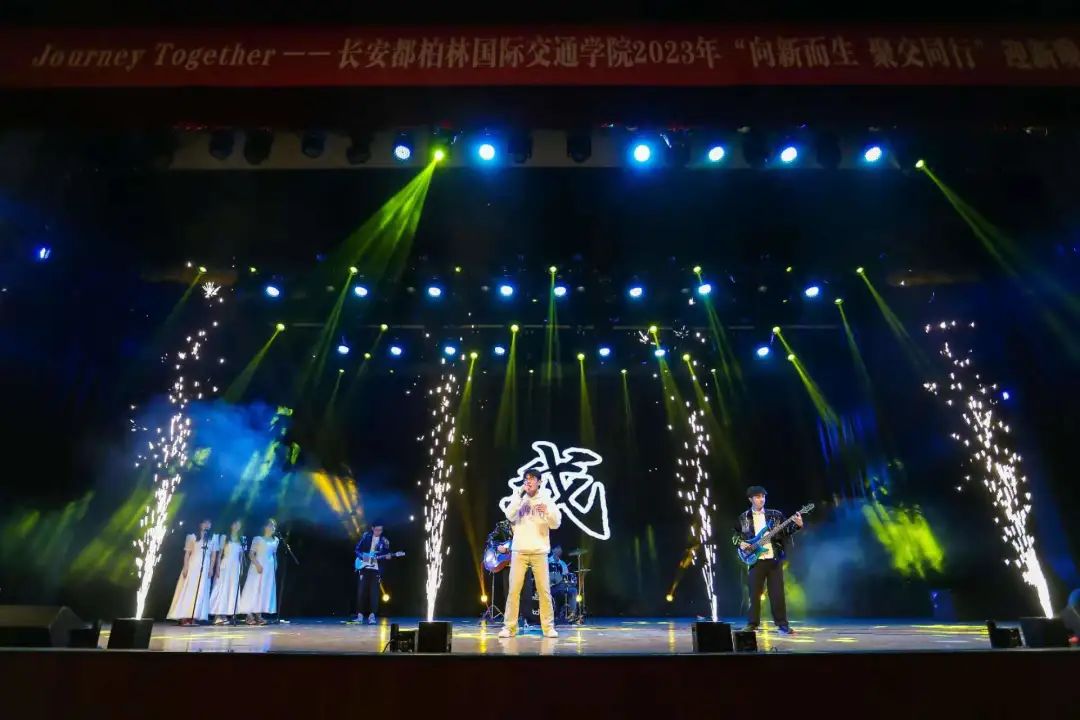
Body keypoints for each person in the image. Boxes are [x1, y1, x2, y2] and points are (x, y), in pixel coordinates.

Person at [499, 468, 562, 639]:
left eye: (532, 478)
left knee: (544, 591)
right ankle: (509, 627)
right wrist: (519, 497)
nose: (529, 481)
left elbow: (556, 523)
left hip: (539, 551)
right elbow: (509, 515)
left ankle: (548, 627)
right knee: (514, 591)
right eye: (526, 478)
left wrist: (547, 512)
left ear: (539, 482)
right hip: (519, 550)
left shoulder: (546, 498)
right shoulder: (519, 497)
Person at [732, 486, 804, 635]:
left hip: (774, 559)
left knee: (777, 594)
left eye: (763, 496)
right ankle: (752, 624)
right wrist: (741, 543)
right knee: (754, 595)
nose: (761, 499)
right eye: (758, 497)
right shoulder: (743, 517)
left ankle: (782, 625)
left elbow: (785, 532)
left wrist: (798, 526)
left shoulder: (775, 515)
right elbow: (734, 535)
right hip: (755, 560)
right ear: (750, 499)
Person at [166, 519, 219, 625]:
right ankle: (184, 616)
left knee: (201, 590)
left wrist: (211, 568)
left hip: (205, 567)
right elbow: (187, 554)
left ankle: (194, 616)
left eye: (209, 523)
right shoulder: (192, 536)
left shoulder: (213, 538)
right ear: (200, 524)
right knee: (189, 589)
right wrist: (186, 567)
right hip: (193, 565)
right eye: (205, 523)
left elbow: (213, 555)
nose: (207, 525)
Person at [238, 518, 279, 625]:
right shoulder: (258, 539)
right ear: (265, 527)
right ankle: (249, 615)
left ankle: (258, 615)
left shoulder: (275, 540)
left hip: (268, 569)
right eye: (270, 525)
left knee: (263, 591)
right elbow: (251, 554)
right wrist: (257, 565)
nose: (273, 528)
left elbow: (274, 554)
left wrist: (275, 565)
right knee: (254, 589)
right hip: (257, 567)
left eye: (274, 526)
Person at [209, 520, 245, 625]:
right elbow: (220, 554)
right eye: (235, 524)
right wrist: (217, 568)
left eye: (239, 525)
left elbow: (241, 556)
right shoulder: (225, 537)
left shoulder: (241, 539)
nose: (237, 526)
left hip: (235, 566)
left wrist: (241, 568)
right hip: (225, 564)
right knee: (222, 588)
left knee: (231, 590)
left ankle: (225, 614)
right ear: (231, 525)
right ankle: (217, 615)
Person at [354, 520, 390, 625]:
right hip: (364, 567)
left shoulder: (384, 541)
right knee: (361, 592)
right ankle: (360, 615)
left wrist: (387, 556)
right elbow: (357, 550)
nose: (379, 532)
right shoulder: (366, 537)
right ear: (372, 528)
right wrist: (365, 558)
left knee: (374, 593)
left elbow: (385, 554)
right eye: (377, 529)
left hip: (376, 569)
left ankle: (372, 616)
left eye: (380, 530)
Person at [548, 544, 578, 621]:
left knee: (573, 590)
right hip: (549, 587)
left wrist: (570, 582)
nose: (560, 550)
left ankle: (572, 614)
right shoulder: (547, 561)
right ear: (553, 550)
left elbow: (565, 577)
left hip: (560, 587)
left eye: (560, 548)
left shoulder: (563, 563)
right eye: (557, 548)